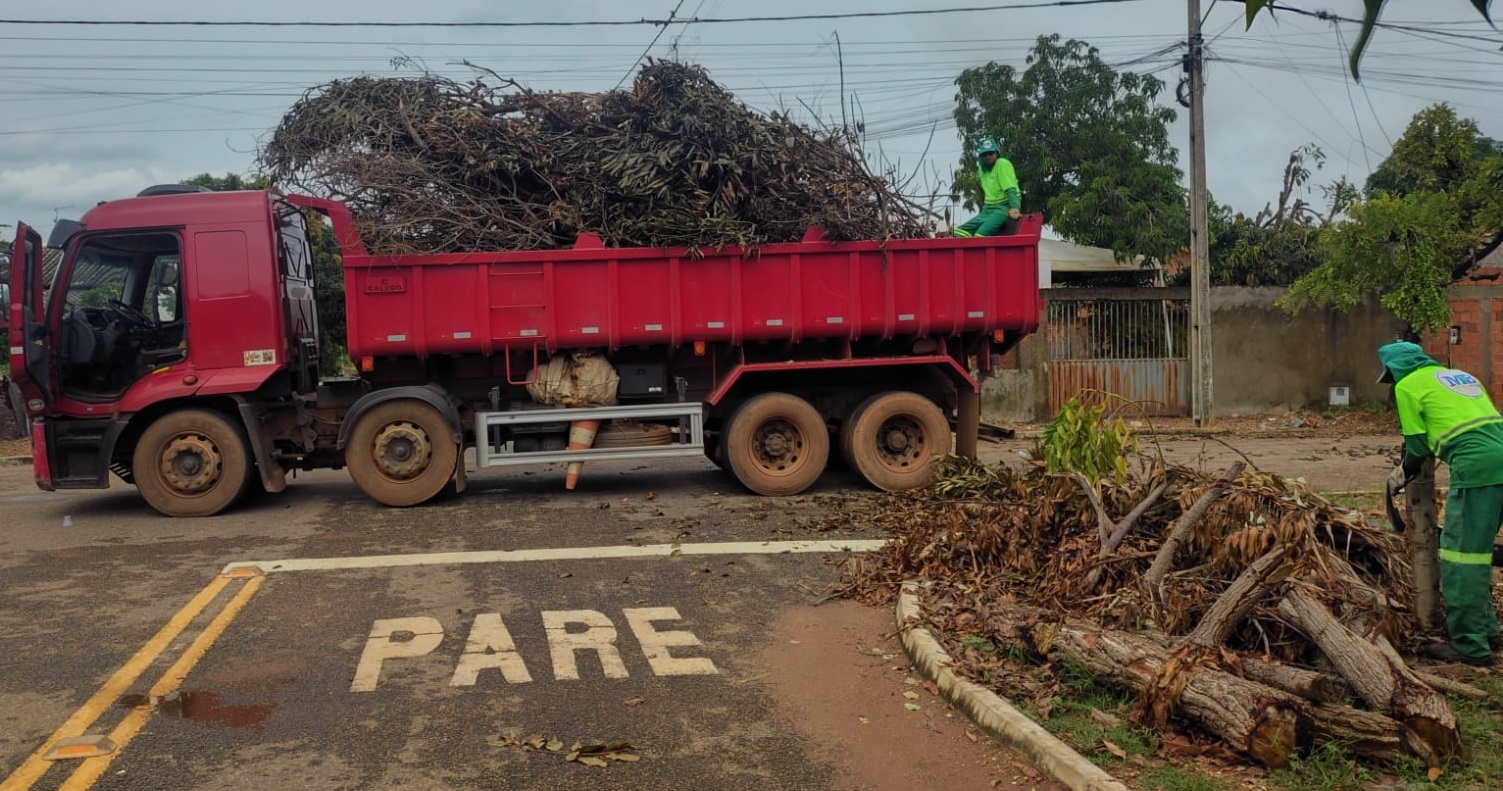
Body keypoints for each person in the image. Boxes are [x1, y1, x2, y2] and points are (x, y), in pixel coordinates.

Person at [1378, 341, 1503, 666]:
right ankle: (1487, 631)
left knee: (1460, 556)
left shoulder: (1408, 386)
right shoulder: (1460, 376)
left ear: (1395, 370)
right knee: (1479, 551)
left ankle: (1471, 646)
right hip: (1497, 457)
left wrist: (1401, 473)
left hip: (1478, 469)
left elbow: (1417, 446)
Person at [953, 137, 1021, 238]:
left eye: (990, 153)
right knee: (957, 232)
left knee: (979, 236)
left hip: (1002, 209)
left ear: (996, 153)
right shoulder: (981, 170)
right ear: (981, 156)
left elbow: (1010, 188)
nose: (988, 156)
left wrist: (1015, 208)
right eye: (984, 154)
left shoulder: (1002, 164)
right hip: (987, 210)